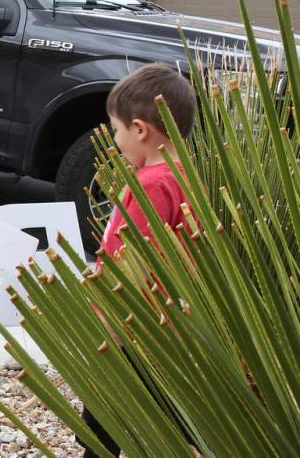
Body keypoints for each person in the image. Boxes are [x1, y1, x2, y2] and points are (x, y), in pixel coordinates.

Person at [79, 62, 198, 457]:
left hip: (132, 325)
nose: (115, 140)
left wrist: (106, 318)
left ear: (141, 130)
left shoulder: (147, 184)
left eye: (116, 129)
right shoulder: (183, 174)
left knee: (104, 427)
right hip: (166, 326)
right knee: (165, 417)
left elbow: (131, 259)